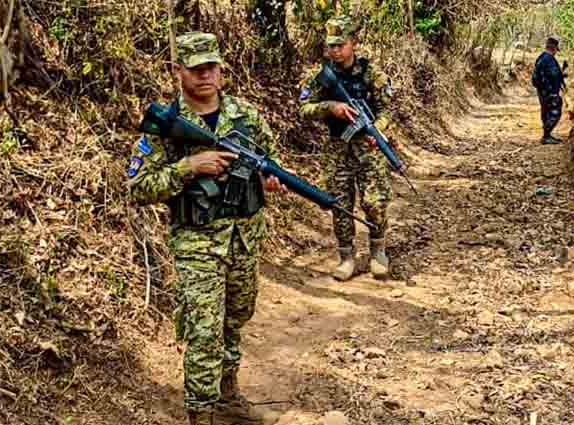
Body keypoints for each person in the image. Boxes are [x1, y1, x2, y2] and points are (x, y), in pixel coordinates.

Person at [126, 31, 284, 425]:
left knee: (235, 319)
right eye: (196, 69)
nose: (205, 76)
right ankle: (201, 414)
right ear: (178, 71)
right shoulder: (166, 124)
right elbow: (137, 187)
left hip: (245, 239)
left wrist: (271, 179)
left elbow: (271, 161)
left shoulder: (246, 116)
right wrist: (188, 167)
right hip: (197, 242)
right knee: (203, 330)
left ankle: (228, 397)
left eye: (211, 67)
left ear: (222, 69)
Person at [297, 14, 395, 282]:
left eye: (340, 44)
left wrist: (379, 130)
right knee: (340, 205)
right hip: (336, 149)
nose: (335, 50)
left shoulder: (372, 74)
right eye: (331, 45)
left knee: (375, 202)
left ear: (354, 43)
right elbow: (303, 108)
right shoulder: (320, 77)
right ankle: (346, 256)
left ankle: (378, 251)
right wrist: (330, 107)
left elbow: (386, 110)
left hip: (368, 149)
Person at [532, 37, 568, 145]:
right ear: (554, 48)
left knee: (546, 112)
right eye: (556, 49)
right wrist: (551, 90)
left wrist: (562, 72)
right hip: (549, 91)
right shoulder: (548, 59)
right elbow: (553, 75)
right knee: (554, 112)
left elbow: (552, 74)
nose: (556, 52)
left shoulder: (542, 57)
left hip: (543, 91)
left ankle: (547, 135)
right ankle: (546, 136)